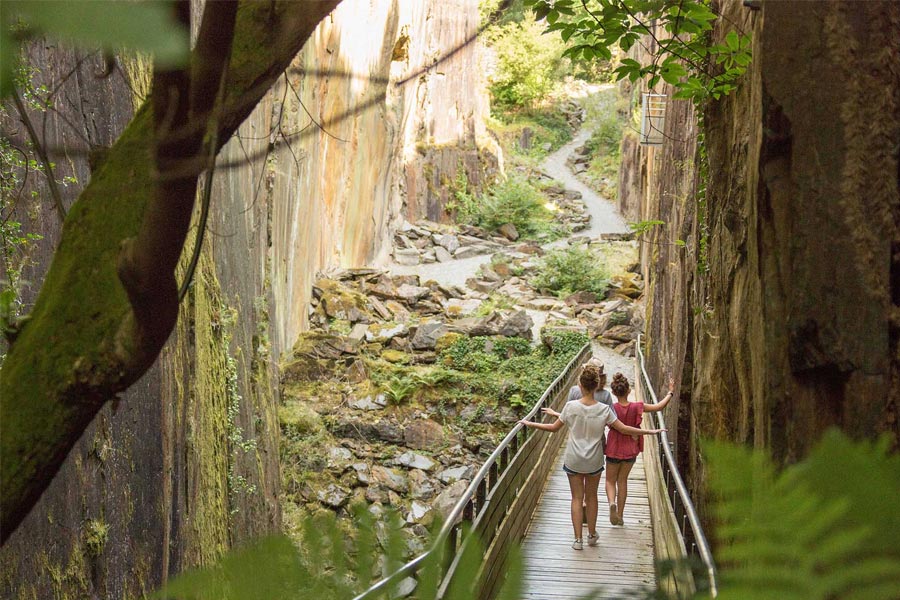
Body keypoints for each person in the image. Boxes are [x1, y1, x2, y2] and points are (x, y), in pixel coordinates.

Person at [519, 366, 665, 550]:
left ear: (580, 385)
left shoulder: (570, 407)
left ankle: (577, 540)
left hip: (573, 458)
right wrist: (650, 431)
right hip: (594, 460)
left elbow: (554, 428)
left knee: (576, 498)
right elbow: (624, 429)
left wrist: (530, 423)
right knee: (592, 496)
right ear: (597, 386)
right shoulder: (604, 410)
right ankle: (592, 534)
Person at [604, 372, 674, 526]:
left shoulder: (610, 409)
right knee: (622, 481)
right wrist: (670, 392)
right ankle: (620, 515)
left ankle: (611, 503)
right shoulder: (637, 407)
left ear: (613, 392)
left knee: (610, 480)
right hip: (630, 450)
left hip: (613, 448)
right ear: (629, 391)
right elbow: (659, 407)